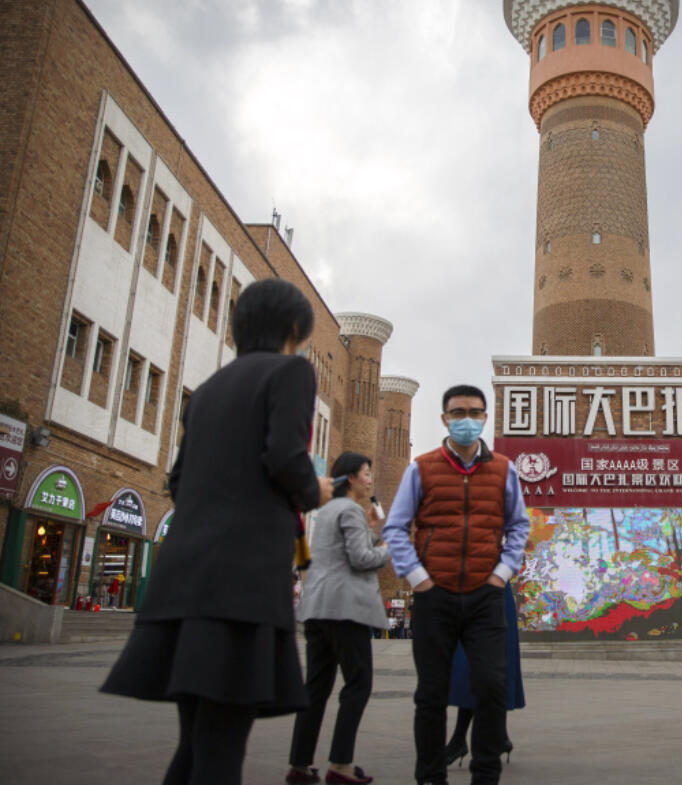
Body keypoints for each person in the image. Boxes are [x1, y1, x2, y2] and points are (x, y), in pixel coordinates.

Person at [100, 278, 332, 785]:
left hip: (183, 582)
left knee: (196, 744)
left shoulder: (207, 390)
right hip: (240, 588)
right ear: (295, 330)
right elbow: (284, 458)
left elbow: (179, 481)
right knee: (222, 746)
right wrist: (317, 490)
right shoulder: (291, 372)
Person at [383, 385, 530, 785]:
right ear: (445, 418)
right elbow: (395, 527)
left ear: (485, 417)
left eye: (474, 412)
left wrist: (502, 574)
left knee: (490, 688)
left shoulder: (503, 468)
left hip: (485, 595)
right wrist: (419, 579)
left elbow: (519, 525)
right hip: (436, 595)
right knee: (430, 695)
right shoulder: (422, 467)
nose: (467, 419)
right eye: (458, 412)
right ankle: (431, 776)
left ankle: (486, 774)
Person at [287, 452, 390, 785]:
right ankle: (341, 764)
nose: (370, 479)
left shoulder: (329, 509)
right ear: (350, 478)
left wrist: (373, 532)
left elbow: (342, 554)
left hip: (318, 609)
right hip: (345, 609)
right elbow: (361, 559)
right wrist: (391, 546)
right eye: (366, 473)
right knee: (358, 684)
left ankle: (300, 765)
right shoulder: (349, 509)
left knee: (316, 688)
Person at [443, 585, 525, 768]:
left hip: (491, 592)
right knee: (475, 667)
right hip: (470, 592)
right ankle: (499, 735)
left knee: (490, 666)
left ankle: (460, 740)